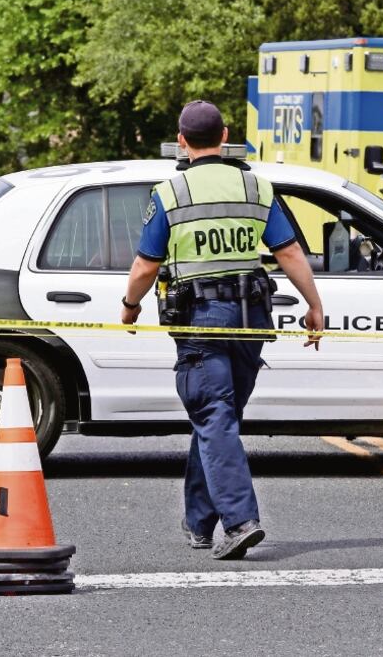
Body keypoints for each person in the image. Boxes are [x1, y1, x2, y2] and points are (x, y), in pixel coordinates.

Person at [120, 100, 324, 560]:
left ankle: (239, 521)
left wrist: (130, 306)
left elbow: (144, 265)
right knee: (219, 419)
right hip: (251, 323)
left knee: (215, 417)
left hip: (201, 325)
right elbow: (290, 253)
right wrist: (314, 305)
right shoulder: (257, 187)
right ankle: (198, 523)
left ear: (181, 141)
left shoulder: (170, 193)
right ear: (226, 134)